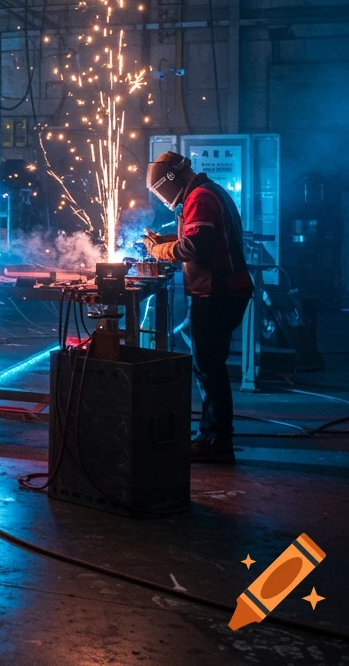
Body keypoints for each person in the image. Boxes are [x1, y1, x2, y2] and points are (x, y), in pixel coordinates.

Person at [144, 152, 253, 464]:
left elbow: (195, 246)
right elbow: (200, 236)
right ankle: (214, 434)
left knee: (209, 369)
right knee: (209, 367)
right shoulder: (207, 192)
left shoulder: (200, 197)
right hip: (223, 291)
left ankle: (217, 439)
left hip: (218, 293)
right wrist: (167, 239)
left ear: (170, 181)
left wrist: (160, 250)